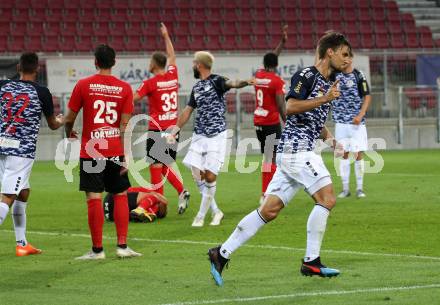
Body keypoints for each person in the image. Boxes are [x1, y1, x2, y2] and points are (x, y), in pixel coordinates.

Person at [207, 32, 352, 286]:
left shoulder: (329, 82)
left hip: (294, 151)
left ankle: (221, 253)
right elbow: (291, 107)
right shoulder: (306, 76)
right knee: (327, 198)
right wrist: (325, 99)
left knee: (269, 210)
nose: (348, 60)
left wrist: (334, 143)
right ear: (330, 52)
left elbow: (315, 120)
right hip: (297, 150)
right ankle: (311, 261)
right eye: (345, 53)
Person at [65, 44, 141, 260]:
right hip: (114, 149)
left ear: (95, 62)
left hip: (91, 151)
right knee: (120, 195)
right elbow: (125, 126)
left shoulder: (83, 85)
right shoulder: (125, 88)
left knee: (94, 197)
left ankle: (97, 250)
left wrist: (69, 132)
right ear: (114, 62)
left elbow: (69, 118)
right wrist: (126, 155)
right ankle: (123, 246)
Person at [169, 51, 254, 227]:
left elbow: (233, 83)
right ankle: (216, 211)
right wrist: (174, 131)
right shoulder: (197, 87)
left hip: (216, 136)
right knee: (196, 173)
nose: (192, 65)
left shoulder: (217, 80)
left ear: (199, 65)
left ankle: (200, 216)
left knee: (209, 177)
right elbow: (187, 111)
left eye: (194, 63)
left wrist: (245, 82)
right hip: (199, 135)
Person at [0, 52, 64, 256]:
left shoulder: (3, 87)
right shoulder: (41, 91)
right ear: (37, 69)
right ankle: (21, 244)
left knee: (23, 191)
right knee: (8, 196)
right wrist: (62, 120)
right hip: (21, 150)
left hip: (2, 145)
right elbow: (54, 125)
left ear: (18, 67)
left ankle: (22, 244)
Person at [133, 23, 190, 215]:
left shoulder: (150, 83)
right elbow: (172, 57)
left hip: (158, 130)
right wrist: (166, 36)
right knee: (164, 165)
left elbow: (133, 98)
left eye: (150, 61)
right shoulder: (172, 76)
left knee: (156, 168)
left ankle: (157, 206)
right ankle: (181, 191)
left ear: (154, 64)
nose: (148, 64)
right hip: (173, 130)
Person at [253, 25, 288, 204]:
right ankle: (267, 193)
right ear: (276, 65)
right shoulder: (276, 81)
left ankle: (267, 191)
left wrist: (281, 43)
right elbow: (282, 105)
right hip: (271, 123)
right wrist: (288, 122)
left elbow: (272, 57)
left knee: (268, 157)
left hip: (258, 122)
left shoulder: (259, 75)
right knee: (272, 157)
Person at [332, 51, 371, 199]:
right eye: (342, 56)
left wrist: (360, 115)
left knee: (358, 154)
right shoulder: (335, 75)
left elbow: (367, 96)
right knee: (344, 155)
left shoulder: (359, 75)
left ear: (351, 58)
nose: (345, 59)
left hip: (357, 123)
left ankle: (360, 188)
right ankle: (345, 189)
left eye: (347, 56)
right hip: (341, 122)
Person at [103, 186, 168, 223]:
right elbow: (163, 202)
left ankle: (140, 210)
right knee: (153, 196)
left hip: (111, 216)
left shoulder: (152, 205)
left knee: (152, 199)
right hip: (113, 200)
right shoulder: (150, 195)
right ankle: (140, 209)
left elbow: (162, 211)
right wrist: (163, 201)